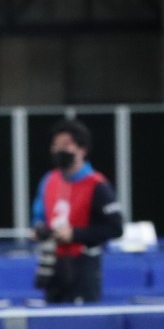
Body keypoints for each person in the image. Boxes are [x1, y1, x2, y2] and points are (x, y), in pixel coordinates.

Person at [31, 117, 124, 305]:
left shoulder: (98, 186)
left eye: (66, 145)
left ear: (82, 150)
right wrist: (38, 230)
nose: (59, 150)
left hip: (83, 267)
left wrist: (75, 234)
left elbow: (115, 228)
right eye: (55, 145)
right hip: (53, 267)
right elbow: (38, 217)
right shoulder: (49, 180)